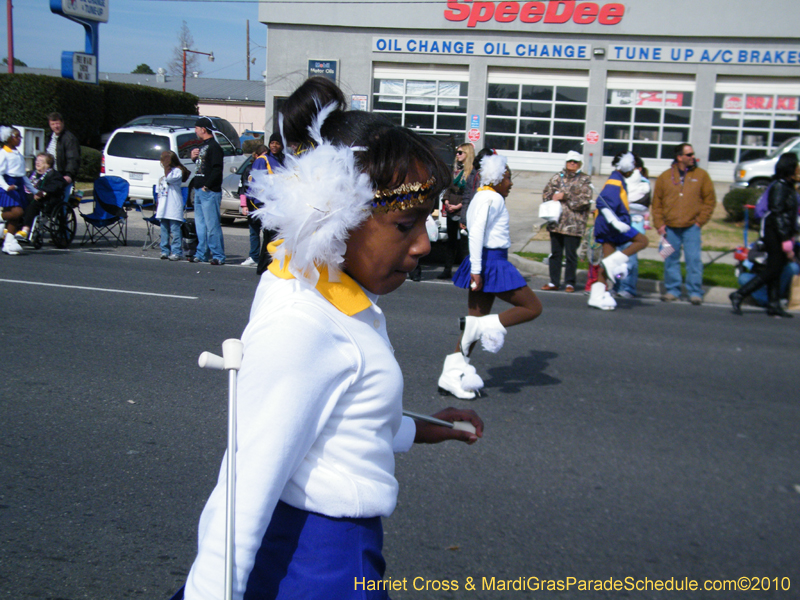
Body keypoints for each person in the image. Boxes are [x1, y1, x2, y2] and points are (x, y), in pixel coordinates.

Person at [175, 79, 483, 600]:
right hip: (320, 568)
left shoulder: (316, 284)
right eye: (406, 224)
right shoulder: (304, 323)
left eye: (426, 222)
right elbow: (241, 492)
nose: (424, 245)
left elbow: (340, 425)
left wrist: (432, 428)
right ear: (335, 218)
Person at [438, 153, 543, 400]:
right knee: (532, 307)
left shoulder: (482, 196)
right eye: (507, 177)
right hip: (491, 262)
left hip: (484, 261)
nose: (511, 182)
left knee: (474, 322)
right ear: (496, 177)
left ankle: (451, 375)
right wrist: (476, 270)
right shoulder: (491, 198)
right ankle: (479, 328)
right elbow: (475, 233)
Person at [730, 152, 799, 318]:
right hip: (774, 234)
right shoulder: (779, 186)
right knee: (773, 269)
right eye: (796, 164)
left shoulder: (788, 186)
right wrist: (785, 240)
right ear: (789, 167)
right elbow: (777, 214)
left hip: (782, 233)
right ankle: (739, 294)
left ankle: (773, 304)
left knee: (777, 269)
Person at [651, 143, 716, 305]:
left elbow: (710, 201)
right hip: (670, 228)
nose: (693, 157)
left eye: (693, 154)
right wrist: (659, 224)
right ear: (679, 157)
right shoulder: (665, 177)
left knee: (694, 260)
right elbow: (657, 203)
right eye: (689, 154)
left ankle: (695, 291)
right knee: (670, 259)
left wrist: (700, 221)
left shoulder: (702, 175)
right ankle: (673, 290)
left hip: (691, 228)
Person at [588, 152, 650, 311]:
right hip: (613, 226)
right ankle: (613, 262)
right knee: (642, 241)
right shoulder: (615, 180)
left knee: (606, 265)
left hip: (608, 226)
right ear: (627, 166)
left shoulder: (617, 178)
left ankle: (596, 297)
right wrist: (616, 222)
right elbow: (603, 203)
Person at [540, 150, 593, 293]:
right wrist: (553, 196)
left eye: (575, 162)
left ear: (579, 164)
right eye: (570, 161)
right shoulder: (557, 177)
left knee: (571, 255)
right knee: (555, 254)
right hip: (556, 224)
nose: (572, 164)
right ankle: (553, 282)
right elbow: (546, 194)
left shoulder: (585, 180)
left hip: (573, 225)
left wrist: (566, 196)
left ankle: (570, 283)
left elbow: (585, 200)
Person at [241, 137, 285, 266]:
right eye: (272, 143)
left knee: (277, 236)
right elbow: (255, 184)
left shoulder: (284, 160)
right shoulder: (263, 160)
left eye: (277, 143)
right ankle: (264, 266)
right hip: (266, 205)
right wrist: (258, 204)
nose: (274, 146)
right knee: (268, 236)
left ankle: (272, 264)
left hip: (280, 205)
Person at [189, 116, 226, 265]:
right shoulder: (203, 146)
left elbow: (217, 169)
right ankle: (201, 253)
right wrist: (193, 158)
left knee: (212, 225)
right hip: (199, 190)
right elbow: (202, 166)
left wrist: (207, 186)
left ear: (203, 129)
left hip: (209, 191)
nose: (195, 131)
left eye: (197, 128)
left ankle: (218, 255)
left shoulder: (214, 147)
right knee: (200, 225)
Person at [614, 154, 651, 298]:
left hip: (635, 226)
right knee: (617, 258)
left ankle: (629, 288)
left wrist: (624, 203)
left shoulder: (644, 183)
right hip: (618, 225)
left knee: (630, 259)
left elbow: (640, 204)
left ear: (638, 168)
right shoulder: (620, 181)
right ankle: (617, 286)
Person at [438, 143, 474, 279]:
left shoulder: (471, 172)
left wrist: (459, 206)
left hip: (463, 210)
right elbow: (448, 188)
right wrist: (446, 201)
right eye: (457, 153)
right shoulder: (455, 170)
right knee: (451, 242)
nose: (457, 155)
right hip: (451, 209)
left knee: (464, 243)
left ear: (467, 154)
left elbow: (469, 194)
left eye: (460, 153)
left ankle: (467, 272)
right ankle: (447, 270)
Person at [15, 152, 67, 244]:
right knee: (13, 201)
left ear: (48, 164)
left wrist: (42, 191)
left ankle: (25, 230)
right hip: (27, 197)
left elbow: (55, 186)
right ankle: (8, 229)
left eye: (41, 161)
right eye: (37, 160)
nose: (37, 162)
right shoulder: (30, 173)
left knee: (33, 203)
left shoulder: (55, 175)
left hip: (45, 200)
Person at [0, 127, 35, 255]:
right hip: (8, 187)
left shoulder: (18, 155)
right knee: (17, 212)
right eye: (17, 136)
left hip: (18, 187)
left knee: (15, 218)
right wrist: (5, 186)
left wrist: (34, 190)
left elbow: (23, 176)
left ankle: (8, 242)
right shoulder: (3, 153)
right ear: (8, 138)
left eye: (20, 136)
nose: (19, 139)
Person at [156, 151, 191, 261]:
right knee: (164, 229)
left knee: (175, 230)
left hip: (173, 205)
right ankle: (165, 250)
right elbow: (160, 190)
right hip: (163, 207)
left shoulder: (177, 171)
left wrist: (167, 167)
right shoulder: (163, 175)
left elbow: (170, 179)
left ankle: (177, 251)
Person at [45, 112, 81, 185]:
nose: (56, 126)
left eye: (57, 123)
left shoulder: (69, 139)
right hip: (50, 175)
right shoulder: (49, 137)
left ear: (62, 123)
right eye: (53, 124)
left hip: (62, 177)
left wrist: (69, 175)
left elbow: (73, 158)